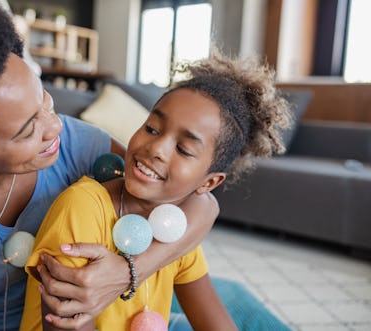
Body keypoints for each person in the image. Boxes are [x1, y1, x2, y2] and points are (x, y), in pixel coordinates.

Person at [0, 1, 218, 330]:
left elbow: (203, 203)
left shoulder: (75, 145)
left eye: (45, 102)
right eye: (28, 130)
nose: (54, 128)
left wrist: (129, 272)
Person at [21, 50, 291, 331]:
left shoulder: (174, 224)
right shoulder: (83, 207)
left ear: (209, 183)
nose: (156, 148)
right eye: (152, 128)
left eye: (184, 149)